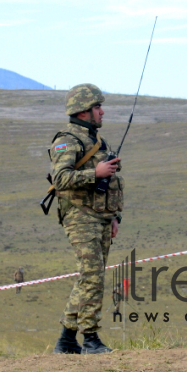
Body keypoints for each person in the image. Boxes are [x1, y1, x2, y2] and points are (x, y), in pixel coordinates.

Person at [49, 84, 123, 355]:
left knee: (90, 276)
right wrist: (96, 173)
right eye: (97, 107)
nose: (102, 112)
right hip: (80, 217)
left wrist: (115, 216)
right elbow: (60, 179)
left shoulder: (97, 141)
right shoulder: (67, 140)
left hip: (101, 218)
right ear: (82, 111)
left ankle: (67, 339)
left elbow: (113, 181)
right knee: (92, 275)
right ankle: (90, 339)